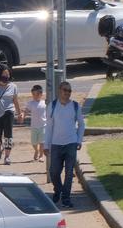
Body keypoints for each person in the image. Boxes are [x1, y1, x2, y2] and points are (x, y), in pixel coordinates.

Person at [45, 80, 85, 208]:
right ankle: (58, 190)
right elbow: (49, 127)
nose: (67, 93)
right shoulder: (52, 106)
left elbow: (81, 124)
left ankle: (66, 198)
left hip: (71, 143)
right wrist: (46, 145)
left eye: (69, 91)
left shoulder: (75, 106)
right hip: (56, 144)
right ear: (59, 91)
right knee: (54, 172)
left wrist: (79, 140)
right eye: (65, 90)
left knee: (69, 173)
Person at [26, 84, 46, 162]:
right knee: (33, 142)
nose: (35, 96)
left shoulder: (44, 103)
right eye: (33, 94)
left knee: (42, 142)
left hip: (43, 125)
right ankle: (36, 150)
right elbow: (26, 111)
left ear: (41, 94)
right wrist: (23, 115)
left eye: (37, 94)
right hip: (34, 126)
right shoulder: (31, 103)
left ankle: (41, 155)